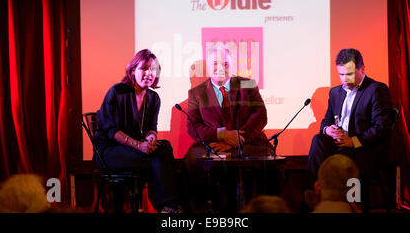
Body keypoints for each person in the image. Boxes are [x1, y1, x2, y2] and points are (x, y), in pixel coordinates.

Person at [183, 42, 274, 211]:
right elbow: (193, 127)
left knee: (270, 159)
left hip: (248, 142)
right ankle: (200, 211)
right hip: (212, 145)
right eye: (215, 63)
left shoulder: (247, 84)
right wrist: (221, 135)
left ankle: (266, 208)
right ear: (208, 67)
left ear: (232, 65)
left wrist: (236, 139)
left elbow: (260, 115)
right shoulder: (196, 93)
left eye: (225, 63)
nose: (220, 67)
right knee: (191, 161)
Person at [93, 49, 181, 213]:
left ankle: (168, 207)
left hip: (135, 149)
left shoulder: (154, 98)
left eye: (153, 70)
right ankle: (169, 207)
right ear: (133, 70)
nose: (149, 73)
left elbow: (151, 128)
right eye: (144, 69)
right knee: (158, 163)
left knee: (165, 147)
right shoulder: (117, 92)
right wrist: (138, 146)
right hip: (109, 150)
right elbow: (112, 131)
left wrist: (150, 139)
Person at [306, 48, 393, 208]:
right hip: (339, 145)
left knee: (345, 156)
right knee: (318, 140)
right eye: (341, 74)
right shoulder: (335, 93)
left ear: (362, 69)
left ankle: (352, 205)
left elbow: (382, 127)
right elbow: (326, 120)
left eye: (350, 74)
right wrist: (327, 130)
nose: (345, 79)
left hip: (363, 148)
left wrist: (353, 141)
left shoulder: (376, 89)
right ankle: (315, 192)